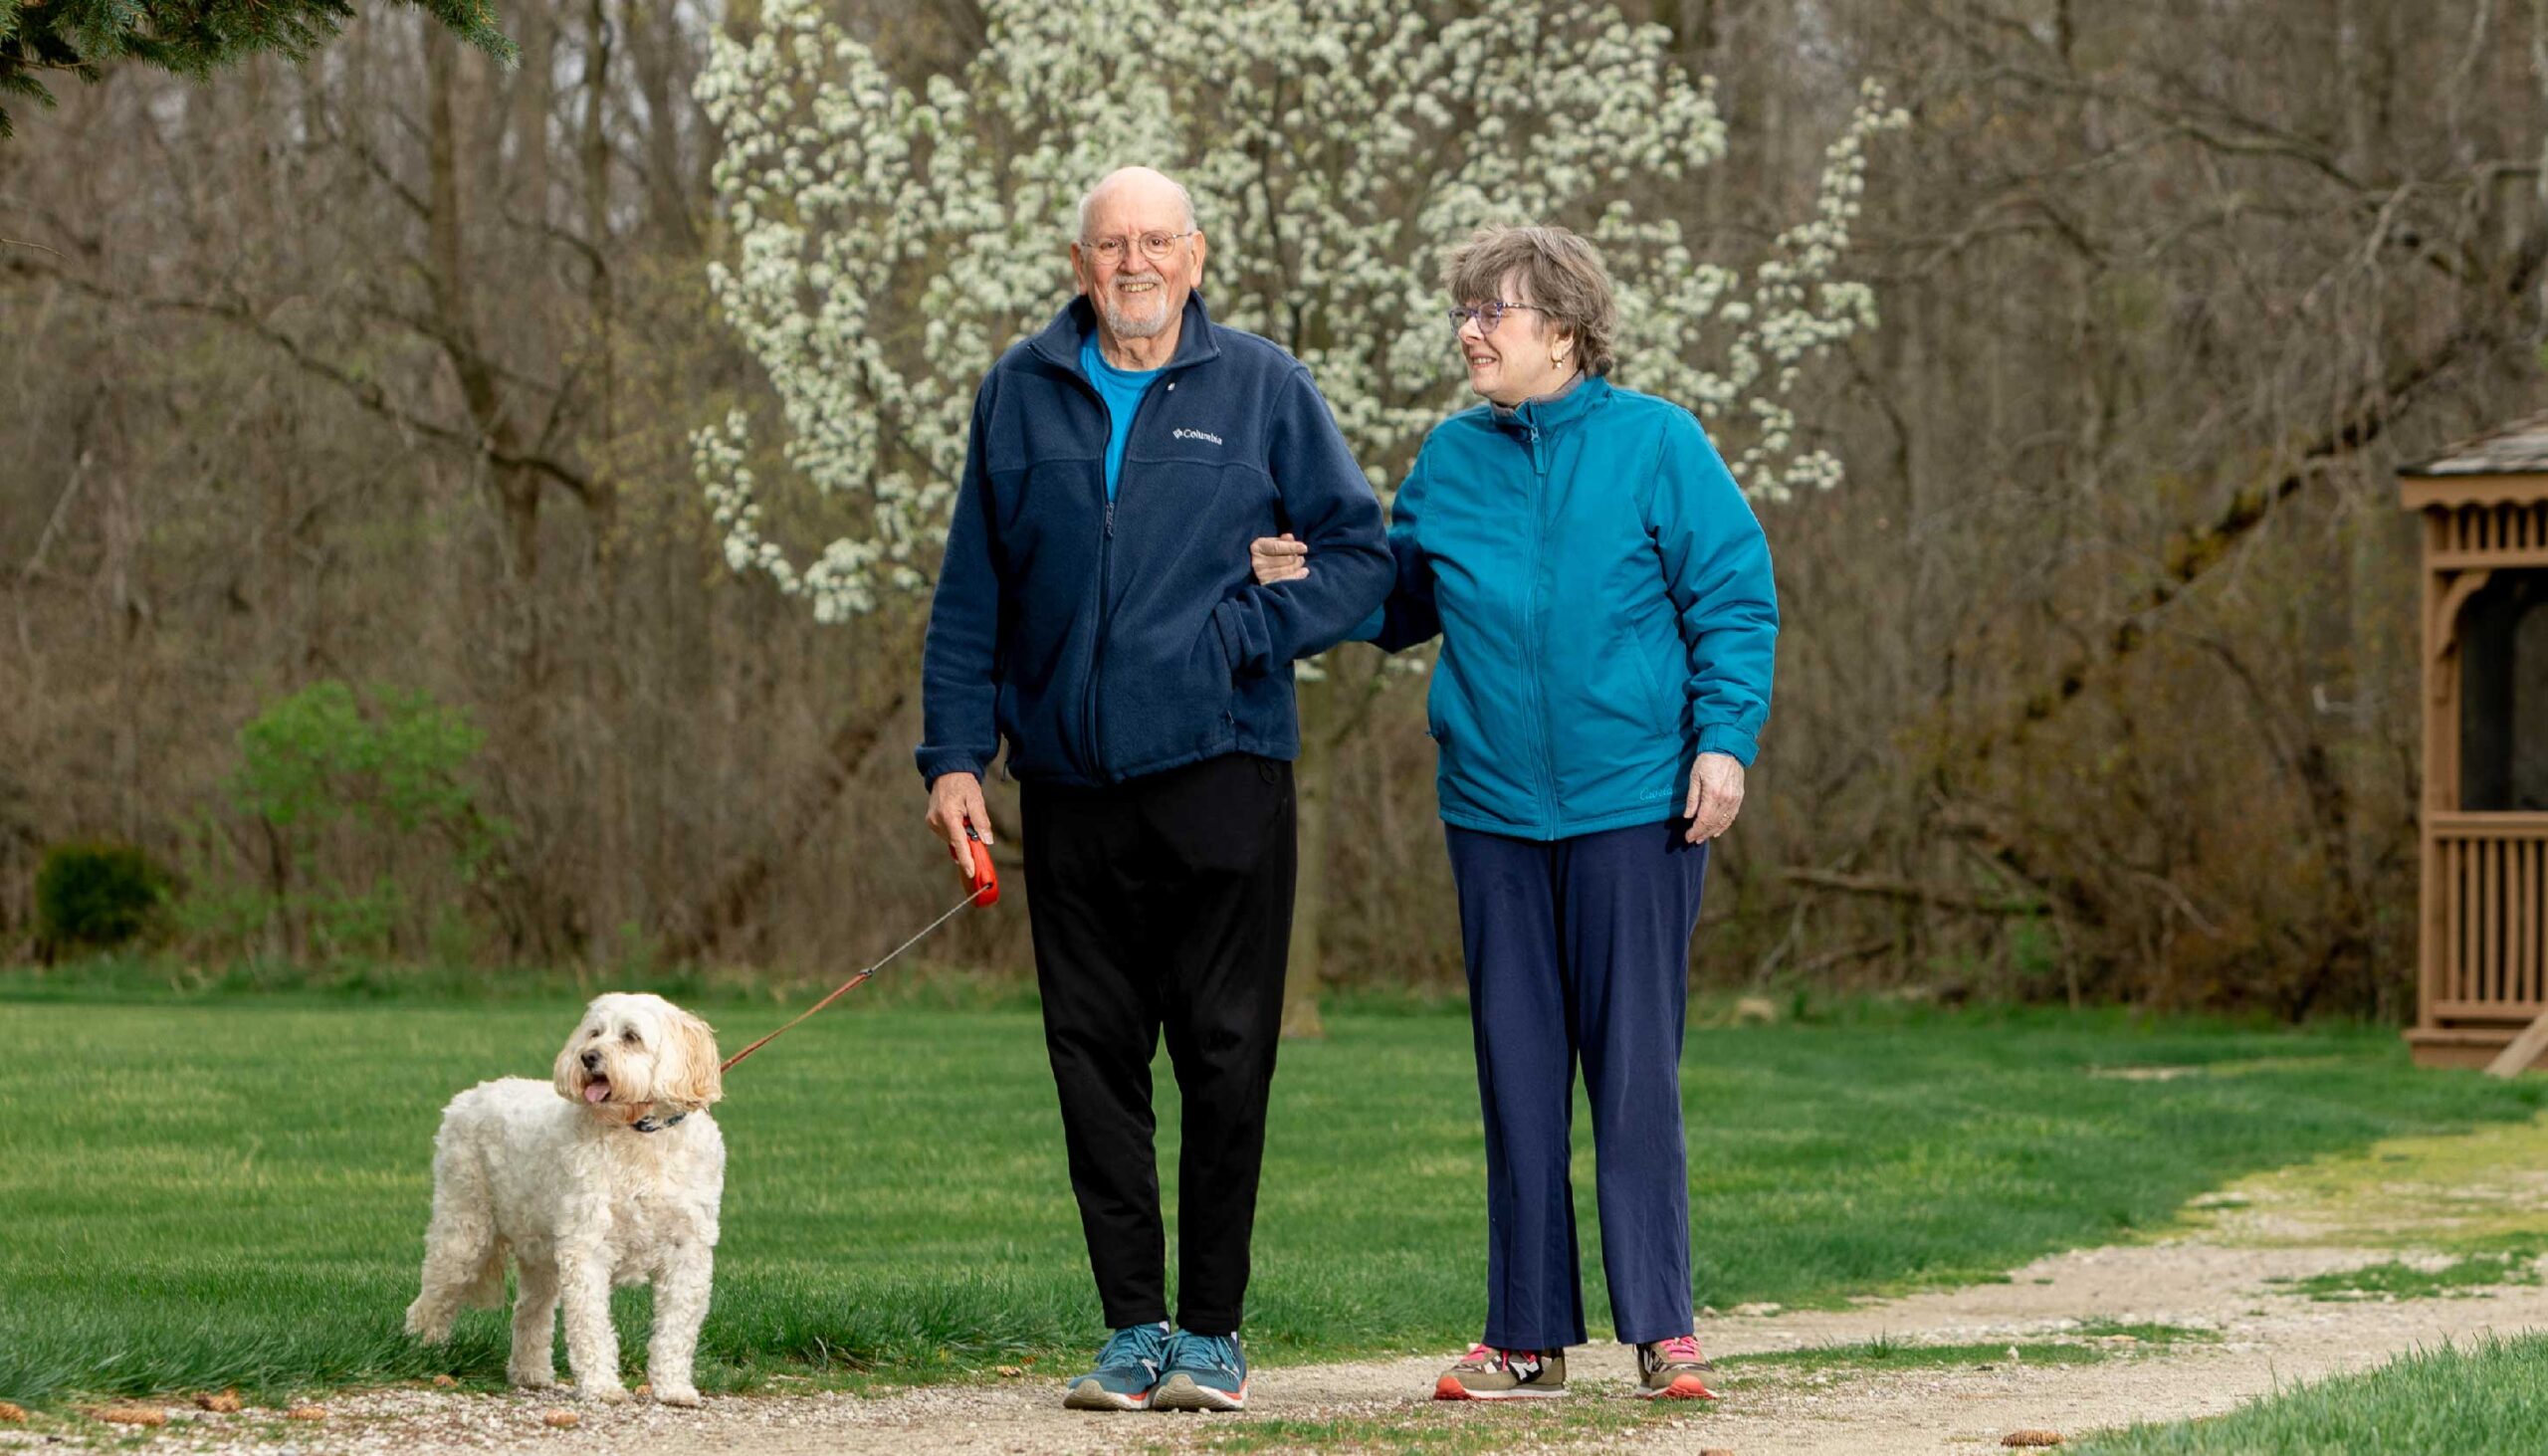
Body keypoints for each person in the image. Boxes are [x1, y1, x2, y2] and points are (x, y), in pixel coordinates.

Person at [1249, 224, 1776, 1402]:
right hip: (1491, 808)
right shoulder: (1450, 456)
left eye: (1495, 310)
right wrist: (1311, 578)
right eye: (1464, 310)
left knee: (1633, 1070)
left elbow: (1734, 599)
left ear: (1567, 330)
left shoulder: (1657, 444)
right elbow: (1401, 596)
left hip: (1635, 804)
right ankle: (1524, 1330)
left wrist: (1723, 743)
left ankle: (1664, 1323)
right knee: (1517, 1070)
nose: (1470, 330)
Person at [916, 166, 1391, 1413]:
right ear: (1081, 264)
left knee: (1227, 1053)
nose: (1133, 263)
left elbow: (1356, 552)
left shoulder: (1263, 386)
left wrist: (1250, 628)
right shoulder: (1017, 392)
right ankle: (1132, 1328)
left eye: (1155, 242)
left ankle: (1216, 1332)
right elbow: (972, 595)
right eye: (1110, 244)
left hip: (1224, 768)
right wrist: (955, 756)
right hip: (1069, 785)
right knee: (1092, 1059)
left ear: (1195, 255)